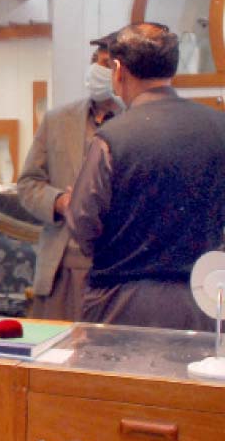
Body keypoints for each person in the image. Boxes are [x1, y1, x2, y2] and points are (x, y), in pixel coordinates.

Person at [67, 22, 225, 330]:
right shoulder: (219, 128)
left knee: (120, 379)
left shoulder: (112, 137)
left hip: (119, 304)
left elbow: (83, 224)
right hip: (203, 301)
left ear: (118, 70)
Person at [17, 33, 122, 320]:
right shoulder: (57, 120)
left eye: (111, 65)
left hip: (115, 269)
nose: (104, 71)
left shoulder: (137, 122)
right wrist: (61, 201)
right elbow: (28, 184)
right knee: (52, 355)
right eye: (99, 63)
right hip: (60, 266)